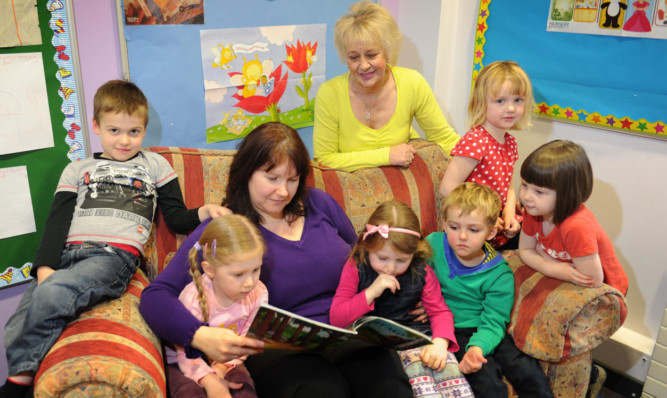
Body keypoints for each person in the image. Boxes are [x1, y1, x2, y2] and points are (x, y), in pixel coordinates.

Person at [140, 122, 415, 398]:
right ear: (246, 173)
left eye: (292, 179)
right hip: (280, 350)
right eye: (272, 178)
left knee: (389, 386)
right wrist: (198, 336)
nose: (283, 192)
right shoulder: (227, 229)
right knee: (321, 392)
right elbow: (155, 296)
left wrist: (412, 298)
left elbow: (366, 259)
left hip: (347, 332)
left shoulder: (320, 204)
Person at [0, 80, 227, 398]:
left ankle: (16, 385)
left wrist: (203, 212)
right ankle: (22, 374)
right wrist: (45, 270)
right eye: (114, 130)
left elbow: (175, 217)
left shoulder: (154, 165)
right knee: (20, 317)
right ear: (96, 126)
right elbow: (56, 225)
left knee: (51, 296)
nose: (124, 140)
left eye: (133, 131)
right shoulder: (77, 169)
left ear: (144, 130)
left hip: (113, 256)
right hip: (69, 254)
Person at [330, 200, 473, 398]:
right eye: (382, 258)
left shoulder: (421, 271)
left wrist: (440, 343)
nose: (390, 268)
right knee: (422, 389)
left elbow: (440, 312)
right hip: (380, 348)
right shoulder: (356, 267)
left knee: (452, 378)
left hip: (420, 337)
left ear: (414, 254)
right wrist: (370, 292)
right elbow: (337, 318)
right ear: (367, 244)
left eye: (401, 261)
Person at [427, 182, 554, 397]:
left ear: (491, 231)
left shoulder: (499, 274)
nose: (462, 237)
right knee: (487, 382)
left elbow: (494, 320)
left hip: (488, 328)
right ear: (444, 223)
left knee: (528, 372)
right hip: (452, 330)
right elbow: (416, 278)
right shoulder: (433, 245)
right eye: (454, 227)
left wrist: (478, 347)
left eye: (474, 229)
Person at [313, 0, 460, 171]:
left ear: (388, 51)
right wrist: (387, 155)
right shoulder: (329, 93)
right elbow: (323, 161)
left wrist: (483, 158)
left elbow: (446, 140)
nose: (364, 65)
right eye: (354, 57)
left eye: (372, 54)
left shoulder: (412, 83)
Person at [166, 215, 268, 398]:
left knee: (244, 389)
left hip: (229, 361)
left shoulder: (259, 294)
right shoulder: (193, 298)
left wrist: (220, 369)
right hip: (186, 362)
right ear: (210, 270)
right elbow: (184, 355)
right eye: (238, 275)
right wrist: (210, 380)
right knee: (189, 393)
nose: (250, 282)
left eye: (256, 269)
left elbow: (245, 342)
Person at [439, 60, 534, 250]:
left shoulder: (510, 143)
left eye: (518, 100)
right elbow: (447, 188)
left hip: (496, 226)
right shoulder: (476, 140)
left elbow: (508, 188)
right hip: (473, 228)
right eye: (500, 101)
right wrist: (483, 218)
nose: (511, 108)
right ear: (481, 103)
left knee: (544, 228)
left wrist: (508, 216)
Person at [518, 140, 629, 294]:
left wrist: (541, 254)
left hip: (606, 292)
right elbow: (525, 251)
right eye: (524, 185)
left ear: (566, 194)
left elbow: (593, 281)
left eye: (539, 192)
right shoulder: (533, 210)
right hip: (569, 279)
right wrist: (551, 267)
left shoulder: (577, 227)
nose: (527, 197)